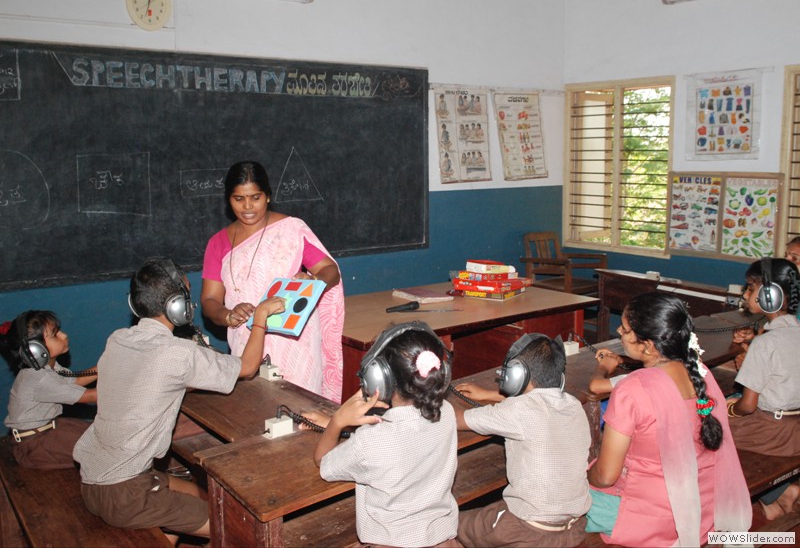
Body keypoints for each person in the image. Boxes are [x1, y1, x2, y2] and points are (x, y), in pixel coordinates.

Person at [73, 258, 285, 540]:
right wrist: (261, 319)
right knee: (235, 530)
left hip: (94, 481)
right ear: (178, 307)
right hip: (126, 492)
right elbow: (246, 369)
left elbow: (149, 379)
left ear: (135, 305)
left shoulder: (118, 339)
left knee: (198, 493)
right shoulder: (178, 353)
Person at [586, 293, 751, 547]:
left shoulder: (633, 389)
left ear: (649, 345)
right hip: (702, 508)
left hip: (654, 518)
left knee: (556, 498)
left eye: (626, 329)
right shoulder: (701, 373)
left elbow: (606, 476)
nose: (619, 330)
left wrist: (584, 478)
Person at [201, 161, 345, 402]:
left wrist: (313, 280)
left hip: (295, 345)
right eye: (238, 199)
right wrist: (227, 315)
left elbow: (331, 271)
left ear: (268, 196)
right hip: (246, 346)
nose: (247, 206)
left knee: (301, 415)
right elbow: (209, 300)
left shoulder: (291, 229)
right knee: (255, 415)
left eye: (255, 197)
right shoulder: (218, 243)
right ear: (228, 199)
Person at [307, 322, 460, 547]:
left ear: (379, 378)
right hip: (441, 540)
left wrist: (337, 421)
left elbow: (324, 463)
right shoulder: (446, 413)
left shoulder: (370, 440)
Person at [452, 333, 591, 548]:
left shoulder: (518, 410)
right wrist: (491, 394)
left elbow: (458, 419)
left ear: (517, 374)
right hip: (574, 528)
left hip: (527, 531)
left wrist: (430, 393)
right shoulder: (572, 404)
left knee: (448, 526)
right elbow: (538, 403)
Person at [726, 257, 800, 520]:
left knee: (707, 431)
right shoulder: (791, 332)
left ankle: (767, 504)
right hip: (795, 428)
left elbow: (747, 406)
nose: (745, 295)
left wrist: (728, 409)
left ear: (769, 295)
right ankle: (782, 492)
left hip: (771, 432)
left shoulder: (765, 344)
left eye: (750, 288)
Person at [0, 311, 96, 469]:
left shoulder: (49, 368)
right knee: (103, 450)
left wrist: (107, 364)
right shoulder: (39, 379)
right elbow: (90, 396)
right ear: (35, 349)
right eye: (55, 334)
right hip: (35, 445)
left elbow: (76, 380)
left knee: (99, 434)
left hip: (49, 428)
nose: (64, 335)